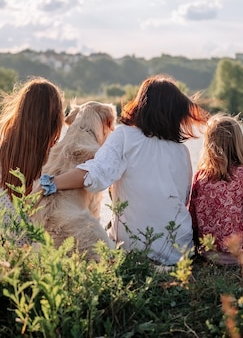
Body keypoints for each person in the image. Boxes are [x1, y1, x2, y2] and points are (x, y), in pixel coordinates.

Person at [40, 75, 209, 265]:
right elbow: (182, 198)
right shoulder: (182, 151)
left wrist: (49, 184)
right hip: (179, 252)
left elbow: (94, 175)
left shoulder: (125, 136)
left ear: (141, 105)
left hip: (134, 250)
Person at [0, 77, 65, 246]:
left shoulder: (0, 152)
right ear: (55, 118)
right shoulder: (55, 158)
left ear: (21, 112)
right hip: (32, 253)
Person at [189, 114, 243, 266]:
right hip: (239, 255)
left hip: (208, 254)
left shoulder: (200, 177)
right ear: (239, 142)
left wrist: (197, 247)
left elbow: (192, 218)